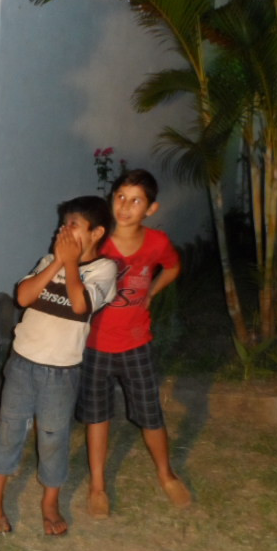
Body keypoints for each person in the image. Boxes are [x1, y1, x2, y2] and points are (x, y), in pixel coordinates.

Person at [0, 196, 117, 536]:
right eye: (63, 224)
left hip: (61, 371)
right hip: (22, 363)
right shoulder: (49, 260)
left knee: (54, 438)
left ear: (97, 232)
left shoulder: (104, 270)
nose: (64, 230)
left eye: (74, 224)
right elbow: (23, 297)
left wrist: (70, 264)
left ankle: (50, 503)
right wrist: (58, 261)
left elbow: (80, 305)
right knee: (8, 430)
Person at [77, 169, 191, 518]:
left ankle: (166, 474)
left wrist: (152, 292)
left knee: (151, 414)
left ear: (151, 209)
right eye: (120, 197)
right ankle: (98, 486)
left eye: (136, 201)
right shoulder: (98, 240)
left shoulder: (157, 242)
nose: (125, 207)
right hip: (95, 344)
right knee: (98, 417)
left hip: (136, 343)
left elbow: (172, 267)